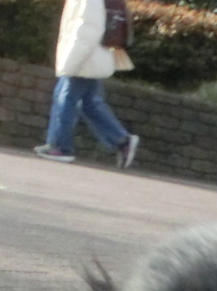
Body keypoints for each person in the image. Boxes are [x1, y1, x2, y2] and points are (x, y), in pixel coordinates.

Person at [37, 0, 141, 169]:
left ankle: (61, 147)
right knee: (89, 103)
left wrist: (71, 63)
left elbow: (87, 32)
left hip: (85, 59)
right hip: (91, 57)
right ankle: (122, 140)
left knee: (65, 98)